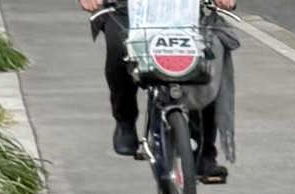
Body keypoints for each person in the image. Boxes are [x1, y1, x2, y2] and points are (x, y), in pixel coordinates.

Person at [82, 0, 237, 183]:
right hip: (127, 9)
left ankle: (204, 152)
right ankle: (125, 120)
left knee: (208, 57)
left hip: (183, 9)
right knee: (119, 47)